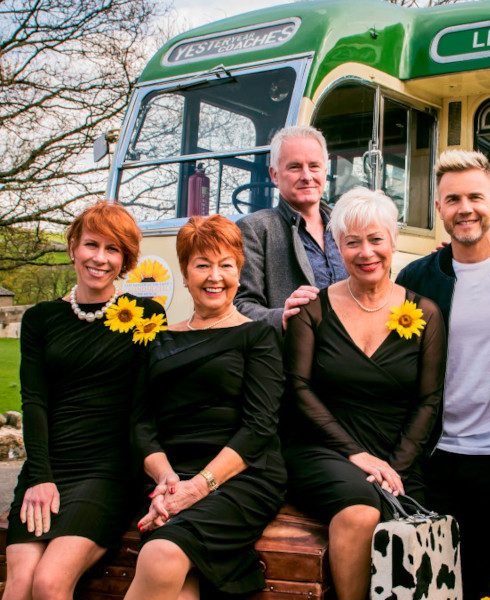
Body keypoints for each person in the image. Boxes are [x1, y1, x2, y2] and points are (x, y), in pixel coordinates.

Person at [396, 149, 490, 599]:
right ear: (440, 208)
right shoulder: (418, 277)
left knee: (487, 581)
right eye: (453, 199)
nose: (466, 209)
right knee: (430, 581)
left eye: (476, 197)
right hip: (433, 459)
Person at [284, 187, 446, 600]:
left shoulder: (425, 312)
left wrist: (396, 466)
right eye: (352, 242)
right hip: (324, 450)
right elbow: (298, 388)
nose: (365, 252)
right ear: (338, 247)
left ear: (393, 241)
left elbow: (429, 399)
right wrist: (356, 454)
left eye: (375, 239)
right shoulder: (312, 309)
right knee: (362, 509)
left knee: (420, 542)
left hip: (396, 454)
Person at [4, 201, 164, 600]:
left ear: (125, 259)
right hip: (49, 467)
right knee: (19, 585)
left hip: (107, 470)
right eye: (92, 244)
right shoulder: (40, 319)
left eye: (113, 249)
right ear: (73, 246)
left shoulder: (144, 314)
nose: (100, 258)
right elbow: (34, 401)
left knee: (49, 582)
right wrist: (40, 476)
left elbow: (147, 405)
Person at [126, 215, 286, 600]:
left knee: (162, 556)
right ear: (185, 274)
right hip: (171, 475)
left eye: (226, 265)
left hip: (241, 476)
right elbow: (140, 424)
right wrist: (166, 481)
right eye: (202, 265)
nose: (215, 276)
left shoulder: (258, 336)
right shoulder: (158, 339)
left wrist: (196, 488)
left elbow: (259, 428)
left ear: (239, 272)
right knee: (181, 587)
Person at [236, 125, 348, 331]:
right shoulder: (254, 229)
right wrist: (283, 318)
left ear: (325, 170)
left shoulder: (348, 226)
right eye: (295, 167)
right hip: (292, 356)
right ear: (274, 175)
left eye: (314, 166)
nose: (307, 176)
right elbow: (240, 306)